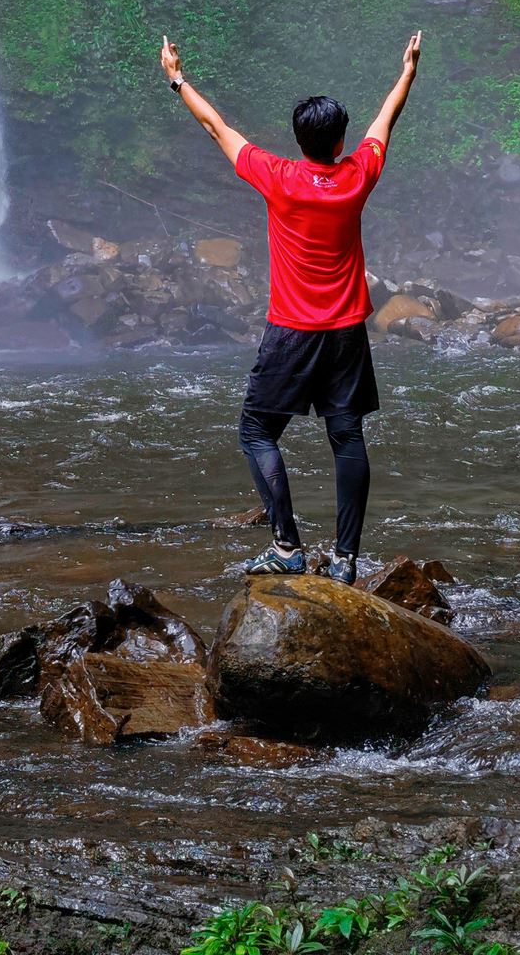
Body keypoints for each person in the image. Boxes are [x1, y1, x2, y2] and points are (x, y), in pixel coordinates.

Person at [157, 29, 422, 585]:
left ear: (297, 139)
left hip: (293, 332)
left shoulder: (277, 178)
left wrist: (176, 77)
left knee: (257, 431)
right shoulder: (357, 176)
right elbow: (385, 122)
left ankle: (286, 546)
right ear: (339, 139)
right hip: (347, 331)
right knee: (346, 435)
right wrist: (407, 72)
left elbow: (216, 128)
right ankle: (346, 559)